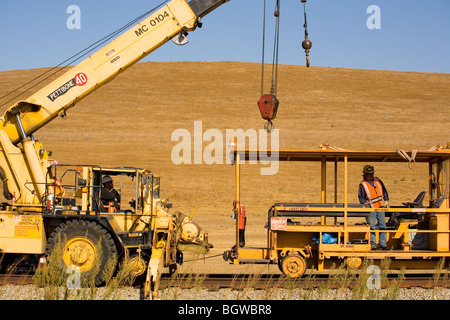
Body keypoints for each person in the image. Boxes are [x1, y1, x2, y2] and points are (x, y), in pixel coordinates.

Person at [358, 165, 390, 250]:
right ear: (365, 174)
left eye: (372, 174)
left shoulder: (378, 180)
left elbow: (384, 190)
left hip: (380, 207)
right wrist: (365, 206)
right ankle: (373, 244)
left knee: (382, 225)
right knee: (371, 226)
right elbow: (361, 197)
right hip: (371, 208)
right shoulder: (363, 185)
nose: (371, 176)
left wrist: (386, 200)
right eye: (369, 174)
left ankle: (383, 244)